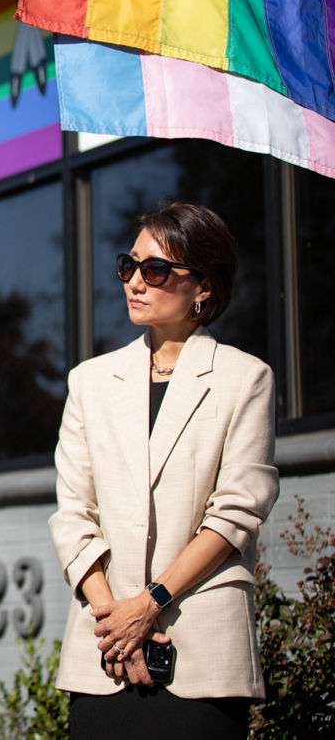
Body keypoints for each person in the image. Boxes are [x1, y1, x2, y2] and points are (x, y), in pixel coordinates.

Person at [49, 201, 279, 738]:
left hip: (200, 652)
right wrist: (115, 621)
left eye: (155, 271)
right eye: (129, 266)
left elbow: (236, 514)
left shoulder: (245, 379)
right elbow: (73, 514)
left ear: (203, 287)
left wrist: (149, 605)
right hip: (103, 652)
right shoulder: (90, 381)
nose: (136, 282)